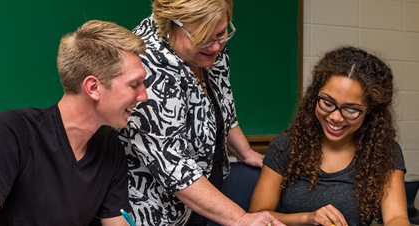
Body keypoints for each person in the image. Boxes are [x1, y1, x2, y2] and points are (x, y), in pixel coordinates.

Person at [0, 20, 148, 225]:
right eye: (134, 84)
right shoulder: (11, 133)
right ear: (93, 87)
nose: (144, 95)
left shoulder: (109, 146)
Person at [118, 0, 283, 225]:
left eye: (221, 33)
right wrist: (241, 219)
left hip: (201, 203)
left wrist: (244, 152)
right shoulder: (147, 66)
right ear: (172, 25)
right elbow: (175, 168)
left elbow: (223, 105)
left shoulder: (210, 49)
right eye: (204, 38)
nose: (215, 47)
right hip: (156, 213)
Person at [249, 46, 409, 226]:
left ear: (370, 110)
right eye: (327, 102)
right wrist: (308, 218)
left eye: (350, 109)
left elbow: (397, 218)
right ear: (315, 96)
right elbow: (257, 216)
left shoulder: (384, 151)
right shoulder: (286, 146)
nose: (335, 117)